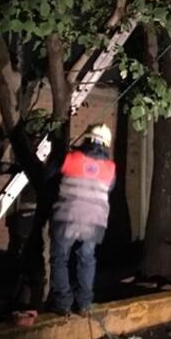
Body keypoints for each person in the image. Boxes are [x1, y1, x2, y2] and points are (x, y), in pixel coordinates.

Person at [48, 123, 116, 316]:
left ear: (86, 138)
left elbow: (49, 176)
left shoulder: (70, 158)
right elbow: (109, 189)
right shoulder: (110, 168)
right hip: (94, 222)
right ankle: (84, 304)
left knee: (59, 259)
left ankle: (63, 304)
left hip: (66, 216)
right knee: (87, 259)